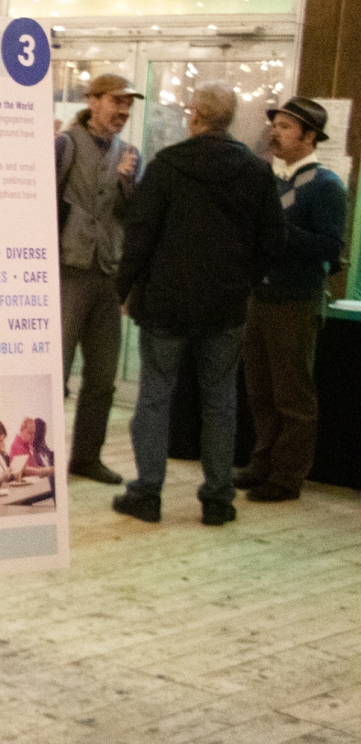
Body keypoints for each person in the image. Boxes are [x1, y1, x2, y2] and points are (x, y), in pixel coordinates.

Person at [113, 82, 286, 526]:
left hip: (166, 304)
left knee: (154, 397)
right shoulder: (255, 171)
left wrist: (122, 290)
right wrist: (244, 279)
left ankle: (148, 493)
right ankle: (217, 498)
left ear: (194, 116)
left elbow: (141, 235)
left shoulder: (168, 165)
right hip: (225, 307)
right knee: (220, 402)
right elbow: (273, 240)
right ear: (228, 120)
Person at [237, 96, 347, 502]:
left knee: (292, 396)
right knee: (260, 389)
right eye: (276, 125)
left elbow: (330, 248)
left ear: (310, 136)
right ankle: (262, 461)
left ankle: (287, 476)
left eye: (285, 127)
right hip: (260, 297)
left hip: (295, 302)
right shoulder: (270, 178)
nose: (275, 133)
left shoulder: (326, 186)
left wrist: (278, 229)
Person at [55, 73, 142, 485]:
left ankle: (87, 456)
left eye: (128, 105)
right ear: (93, 100)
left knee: (103, 376)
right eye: (116, 102)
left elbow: (131, 216)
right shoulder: (65, 144)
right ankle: (47, 455)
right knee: (56, 371)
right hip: (66, 271)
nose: (123, 111)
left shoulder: (130, 154)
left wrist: (127, 183)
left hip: (107, 275)